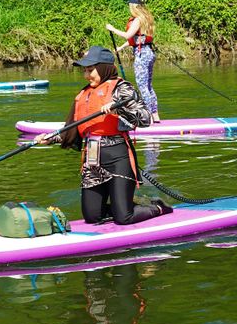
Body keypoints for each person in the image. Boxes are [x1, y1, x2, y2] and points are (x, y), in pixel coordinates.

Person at [37, 45, 172, 225]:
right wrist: (50, 138)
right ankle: (124, 206)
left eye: (90, 70)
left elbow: (145, 119)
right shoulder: (83, 94)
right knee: (92, 217)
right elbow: (73, 130)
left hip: (118, 158)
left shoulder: (121, 89)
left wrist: (119, 110)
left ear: (104, 68)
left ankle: (157, 207)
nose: (86, 75)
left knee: (124, 218)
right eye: (85, 70)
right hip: (91, 161)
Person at [105, 0, 160, 122]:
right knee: (148, 86)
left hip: (142, 55)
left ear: (134, 6)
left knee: (142, 87)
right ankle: (155, 115)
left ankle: (148, 117)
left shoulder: (137, 20)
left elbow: (128, 35)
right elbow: (137, 39)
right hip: (149, 53)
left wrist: (113, 29)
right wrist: (121, 47)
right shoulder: (147, 18)